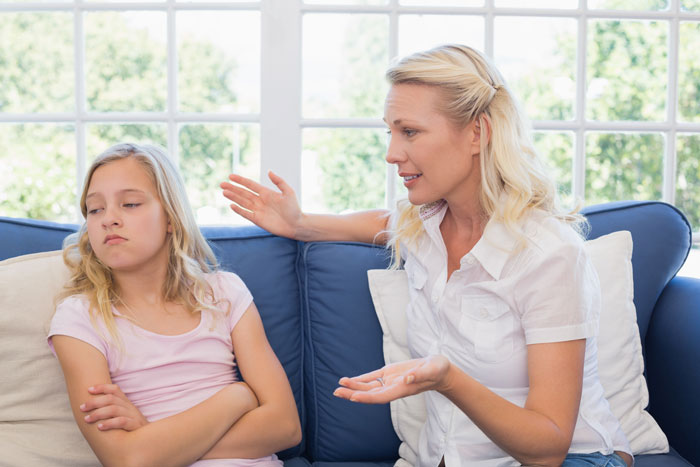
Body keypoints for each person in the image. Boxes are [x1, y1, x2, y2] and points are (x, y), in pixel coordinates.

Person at [220, 45, 633, 467]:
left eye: (410, 132)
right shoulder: (424, 227)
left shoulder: (549, 255)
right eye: (390, 132)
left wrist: (447, 379)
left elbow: (549, 448)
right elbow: (380, 222)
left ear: (477, 133)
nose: (392, 153)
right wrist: (301, 224)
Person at [49, 143, 301, 467]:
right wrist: (238, 396)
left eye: (129, 203)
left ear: (170, 217)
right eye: (94, 209)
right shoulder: (79, 319)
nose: (108, 219)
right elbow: (127, 459)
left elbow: (285, 427)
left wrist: (153, 438)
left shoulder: (223, 293)